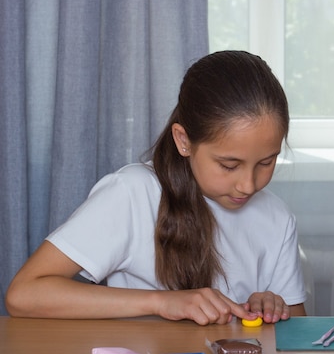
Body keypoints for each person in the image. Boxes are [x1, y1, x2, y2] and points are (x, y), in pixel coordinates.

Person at [6, 50, 307, 325]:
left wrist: (273, 307)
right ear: (184, 140)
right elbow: (23, 294)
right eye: (229, 166)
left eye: (267, 162)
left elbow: (296, 326)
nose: (248, 184)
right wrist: (161, 302)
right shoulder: (132, 193)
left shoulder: (277, 217)